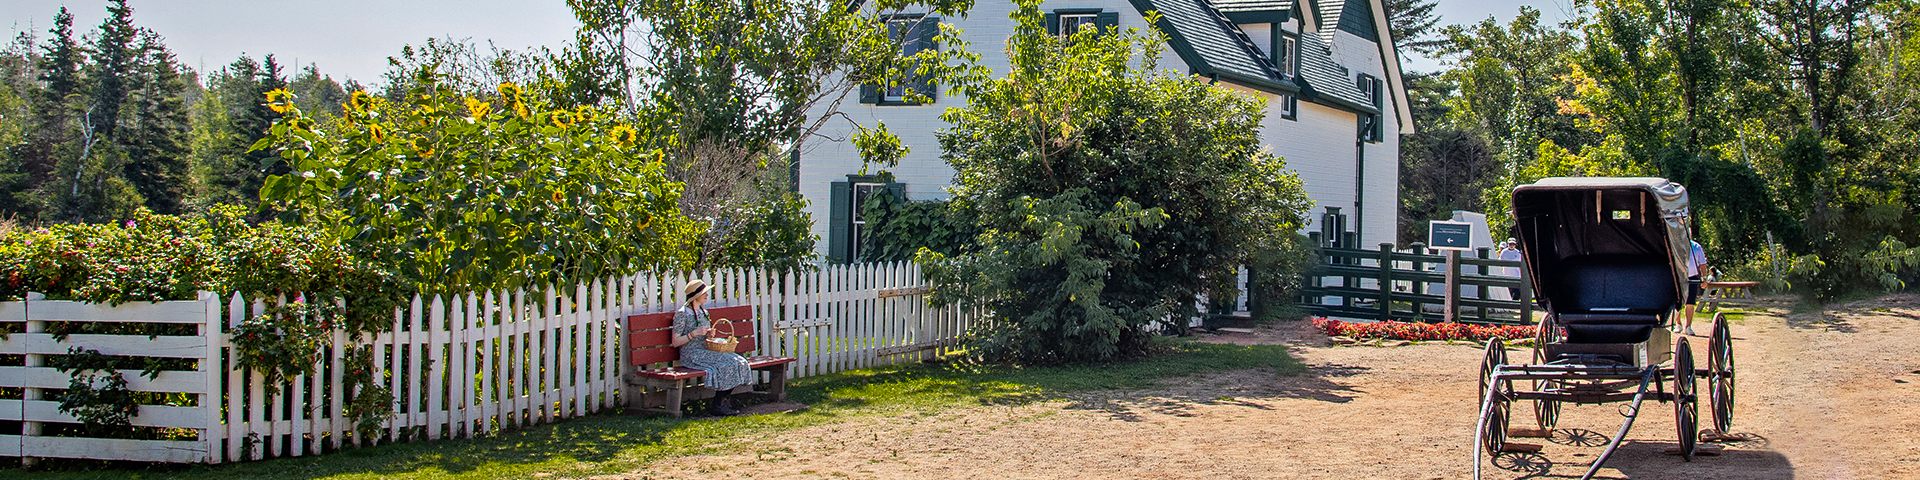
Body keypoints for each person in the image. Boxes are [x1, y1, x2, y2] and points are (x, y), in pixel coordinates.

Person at [672, 279, 753, 416]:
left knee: (738, 360)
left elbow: (705, 336)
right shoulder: (682, 314)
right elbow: (675, 342)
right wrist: (693, 333)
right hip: (691, 354)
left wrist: (709, 333)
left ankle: (722, 401)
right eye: (704, 293)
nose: (707, 295)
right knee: (727, 363)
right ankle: (718, 404)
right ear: (695, 295)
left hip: (705, 350)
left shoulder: (704, 312)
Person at [1680, 239, 1711, 336]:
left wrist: (1704, 278)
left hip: (1692, 276)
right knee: (1678, 300)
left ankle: (1688, 326)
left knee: (1690, 302)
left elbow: (1702, 263)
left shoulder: (1696, 246)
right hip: (1679, 275)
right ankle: (1678, 323)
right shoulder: (1676, 243)